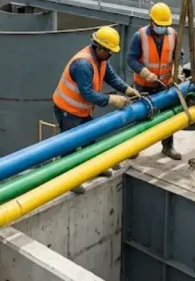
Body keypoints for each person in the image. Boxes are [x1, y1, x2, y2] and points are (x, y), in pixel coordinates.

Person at [52, 26, 140, 192]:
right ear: (99, 48)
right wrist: (112, 99)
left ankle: (94, 169)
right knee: (69, 146)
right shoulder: (84, 64)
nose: (110, 55)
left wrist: (127, 89)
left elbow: (112, 77)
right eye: (109, 51)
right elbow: (88, 94)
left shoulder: (100, 60)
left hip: (81, 110)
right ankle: (69, 180)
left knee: (89, 139)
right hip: (68, 110)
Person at [127, 2, 183, 160]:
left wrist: (176, 69)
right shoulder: (140, 36)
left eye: (165, 26)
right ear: (151, 21)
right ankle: (135, 148)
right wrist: (144, 72)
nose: (162, 29)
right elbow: (131, 59)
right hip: (144, 84)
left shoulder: (172, 34)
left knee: (168, 116)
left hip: (165, 85)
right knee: (140, 116)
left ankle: (167, 146)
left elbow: (179, 54)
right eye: (159, 25)